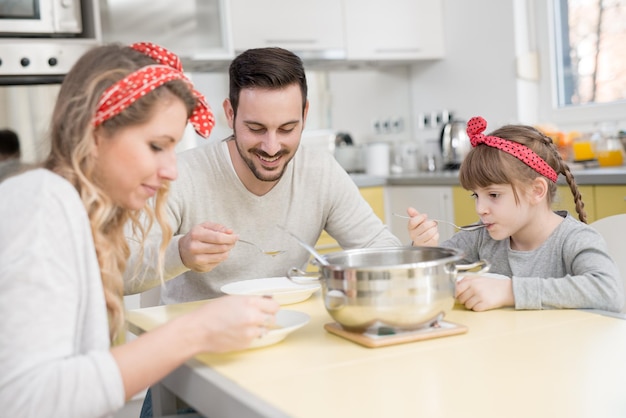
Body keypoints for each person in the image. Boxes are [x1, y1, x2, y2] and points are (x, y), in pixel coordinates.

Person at [0, 42, 279, 418]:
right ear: (95, 131)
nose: (172, 170)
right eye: (156, 146)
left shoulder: (70, 213)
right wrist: (194, 331)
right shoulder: (40, 203)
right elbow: (29, 401)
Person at [124, 46, 401, 304]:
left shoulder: (320, 172)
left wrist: (415, 254)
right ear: (230, 113)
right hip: (200, 342)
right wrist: (180, 253)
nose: (271, 147)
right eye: (256, 129)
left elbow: (379, 248)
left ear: (305, 114)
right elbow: (120, 273)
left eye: (287, 129)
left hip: (291, 328)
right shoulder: (179, 176)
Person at [406, 116, 624, 313]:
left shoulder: (574, 239)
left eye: (493, 194)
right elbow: (429, 281)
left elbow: (608, 292)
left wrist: (509, 291)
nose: (480, 208)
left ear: (536, 191)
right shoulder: (481, 236)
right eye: (476, 195)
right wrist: (425, 251)